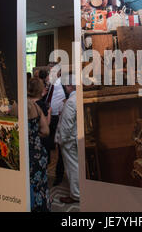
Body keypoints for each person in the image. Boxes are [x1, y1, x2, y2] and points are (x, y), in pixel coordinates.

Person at [56, 74, 79, 204]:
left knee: (72, 167)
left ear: (70, 86)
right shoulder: (77, 98)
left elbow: (66, 125)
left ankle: (76, 194)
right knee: (76, 165)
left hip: (69, 141)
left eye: (66, 86)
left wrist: (62, 141)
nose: (65, 87)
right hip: (76, 138)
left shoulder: (70, 101)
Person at [27, 97, 51, 211]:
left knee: (28, 190)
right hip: (39, 153)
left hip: (27, 157)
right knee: (42, 187)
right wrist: (35, 135)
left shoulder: (16, 108)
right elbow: (46, 131)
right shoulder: (36, 107)